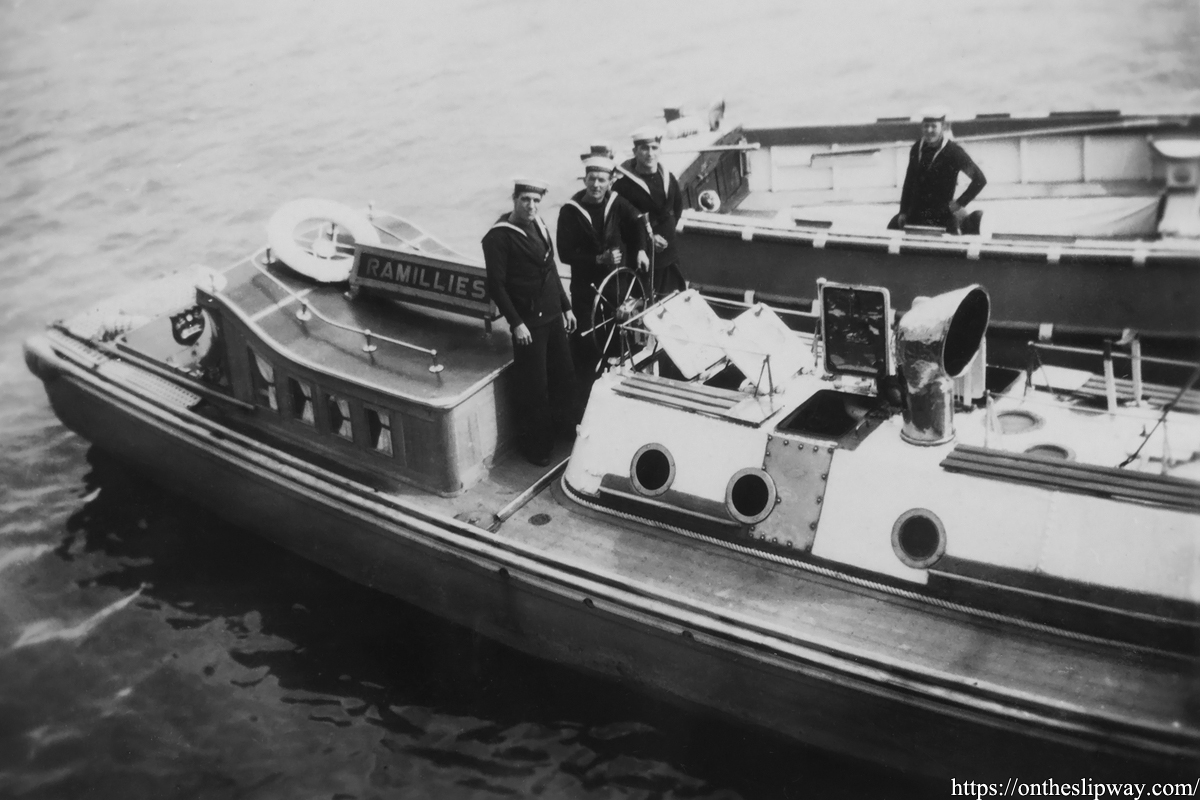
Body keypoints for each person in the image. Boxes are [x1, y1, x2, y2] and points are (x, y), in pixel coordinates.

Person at [482, 178, 578, 467]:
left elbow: (551, 269)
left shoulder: (540, 225)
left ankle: (563, 433)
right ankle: (536, 447)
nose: (531, 206)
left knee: (564, 375)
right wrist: (516, 323)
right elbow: (496, 286)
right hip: (529, 324)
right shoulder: (498, 237)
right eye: (526, 199)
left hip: (552, 316)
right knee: (535, 387)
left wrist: (567, 307)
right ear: (514, 199)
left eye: (536, 201)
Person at [556, 151, 649, 387]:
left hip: (618, 289)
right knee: (589, 347)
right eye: (592, 179)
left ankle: (622, 382)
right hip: (587, 292)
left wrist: (640, 250)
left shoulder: (616, 203)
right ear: (585, 179)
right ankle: (588, 390)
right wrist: (598, 259)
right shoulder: (570, 211)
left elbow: (638, 221)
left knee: (621, 339)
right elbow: (565, 254)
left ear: (610, 182)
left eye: (602, 180)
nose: (596, 185)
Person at [889, 107, 987, 234]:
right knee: (891, 228)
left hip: (941, 215)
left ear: (943, 127)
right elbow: (909, 182)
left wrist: (959, 203)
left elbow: (980, 180)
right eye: (926, 126)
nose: (929, 130)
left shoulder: (954, 152)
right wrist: (903, 211)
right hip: (916, 212)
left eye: (934, 126)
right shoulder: (916, 149)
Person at [613, 126, 686, 295]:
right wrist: (648, 238)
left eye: (654, 148)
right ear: (635, 151)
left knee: (674, 296)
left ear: (660, 150)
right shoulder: (622, 185)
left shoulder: (668, 177)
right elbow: (620, 225)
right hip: (642, 255)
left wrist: (667, 231)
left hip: (669, 251)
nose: (650, 153)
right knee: (647, 299)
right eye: (644, 148)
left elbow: (677, 208)